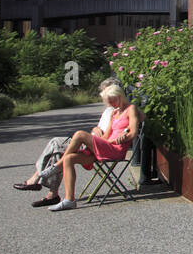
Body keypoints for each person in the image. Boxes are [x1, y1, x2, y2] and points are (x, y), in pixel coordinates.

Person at [15, 78, 124, 204]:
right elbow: (100, 127)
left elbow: (115, 134)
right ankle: (52, 194)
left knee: (56, 143)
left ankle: (37, 179)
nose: (103, 96)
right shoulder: (108, 110)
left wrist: (100, 135)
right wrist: (95, 128)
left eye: (105, 92)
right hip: (91, 142)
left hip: (96, 147)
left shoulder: (119, 111)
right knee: (57, 149)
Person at [47, 83, 139, 212]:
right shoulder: (114, 113)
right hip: (107, 146)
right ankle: (69, 200)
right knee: (69, 158)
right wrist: (95, 137)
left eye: (112, 101)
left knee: (79, 134)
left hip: (116, 150)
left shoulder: (131, 109)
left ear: (119, 96)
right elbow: (106, 136)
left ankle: (57, 166)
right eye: (109, 102)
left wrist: (125, 137)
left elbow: (134, 132)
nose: (111, 105)